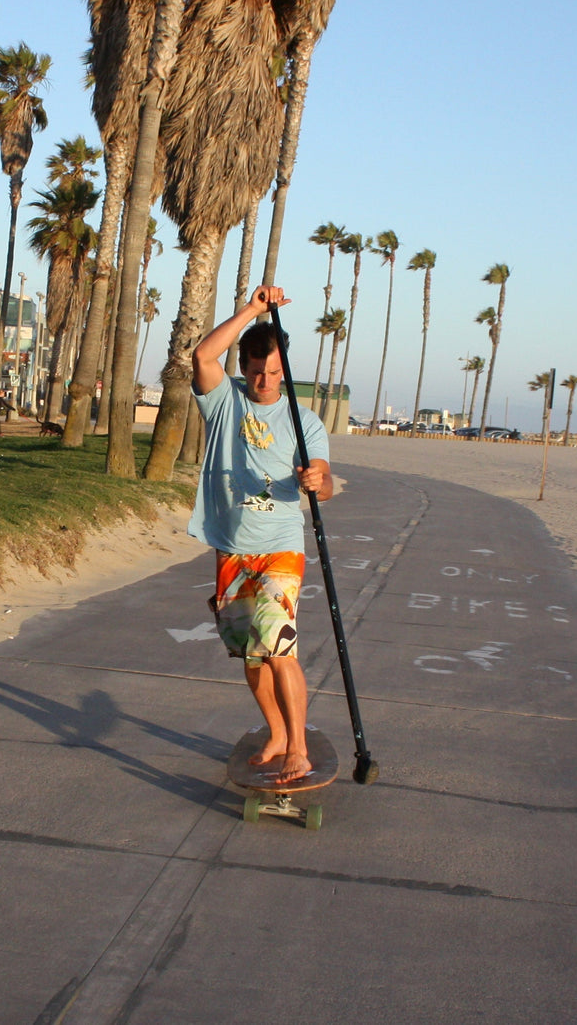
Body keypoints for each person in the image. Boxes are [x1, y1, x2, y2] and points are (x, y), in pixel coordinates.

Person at [190, 285, 334, 784]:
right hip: (232, 546)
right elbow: (203, 354)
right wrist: (253, 310)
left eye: (273, 371)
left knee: (279, 646)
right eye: (255, 370)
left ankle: (299, 748)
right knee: (252, 655)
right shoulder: (225, 402)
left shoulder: (304, 418)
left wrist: (318, 480)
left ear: (284, 367)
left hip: (280, 547)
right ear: (244, 365)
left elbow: (324, 476)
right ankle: (276, 733)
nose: (265, 380)